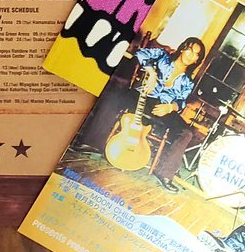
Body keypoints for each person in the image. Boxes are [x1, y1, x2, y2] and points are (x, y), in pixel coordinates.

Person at [75, 37, 205, 190]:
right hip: (142, 95)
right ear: (183, 48)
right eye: (190, 50)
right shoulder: (162, 56)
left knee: (186, 133)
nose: (191, 55)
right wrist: (151, 72)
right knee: (114, 96)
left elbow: (181, 102)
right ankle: (92, 143)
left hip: (162, 108)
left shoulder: (188, 81)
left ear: (197, 60)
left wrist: (171, 107)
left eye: (196, 55)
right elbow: (140, 53)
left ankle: (164, 173)